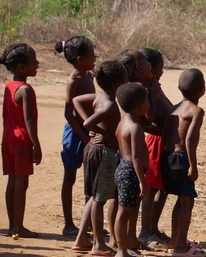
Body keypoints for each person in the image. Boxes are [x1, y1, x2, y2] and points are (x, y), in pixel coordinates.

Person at [72, 60, 129, 255]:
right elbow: (88, 122)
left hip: (92, 150)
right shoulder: (111, 105)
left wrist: (93, 129)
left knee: (93, 196)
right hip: (104, 152)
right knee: (99, 199)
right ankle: (98, 244)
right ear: (118, 84)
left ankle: (82, 240)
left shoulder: (99, 97)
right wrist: (98, 131)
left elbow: (76, 101)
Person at [0, 43, 41, 240]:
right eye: (33, 61)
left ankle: (12, 225)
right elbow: (28, 120)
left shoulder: (8, 85)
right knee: (21, 185)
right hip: (22, 142)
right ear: (21, 67)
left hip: (7, 140)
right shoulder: (25, 90)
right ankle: (18, 227)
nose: (37, 64)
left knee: (12, 183)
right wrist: (36, 145)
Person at [161, 68, 206, 256]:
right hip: (182, 158)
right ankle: (180, 246)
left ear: (179, 87)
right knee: (186, 202)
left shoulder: (174, 108)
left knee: (180, 201)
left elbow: (164, 135)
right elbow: (190, 140)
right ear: (202, 90)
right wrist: (193, 166)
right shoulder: (197, 111)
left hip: (167, 156)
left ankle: (175, 240)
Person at [54, 36, 96, 236]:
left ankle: (88, 222)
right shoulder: (74, 80)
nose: (95, 57)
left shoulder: (87, 76)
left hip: (88, 132)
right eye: (92, 54)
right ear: (80, 59)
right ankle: (69, 224)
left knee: (90, 178)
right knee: (70, 177)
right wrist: (84, 136)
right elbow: (68, 114)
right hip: (76, 134)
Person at [137, 47, 173, 249]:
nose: (161, 71)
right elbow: (143, 122)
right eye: (160, 67)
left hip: (165, 141)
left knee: (163, 188)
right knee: (150, 190)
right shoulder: (144, 90)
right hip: (156, 142)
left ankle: (153, 227)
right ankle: (145, 231)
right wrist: (163, 133)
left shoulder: (153, 86)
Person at [113, 83, 150, 257]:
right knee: (124, 213)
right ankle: (121, 251)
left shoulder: (122, 124)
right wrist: (142, 181)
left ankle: (124, 247)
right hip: (130, 172)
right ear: (141, 105)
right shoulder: (135, 128)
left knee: (125, 211)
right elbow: (136, 157)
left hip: (124, 169)